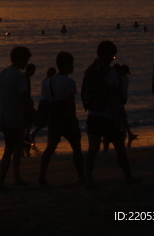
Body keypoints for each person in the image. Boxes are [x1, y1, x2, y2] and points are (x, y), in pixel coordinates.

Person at [82, 40, 137, 188]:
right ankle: (128, 177)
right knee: (120, 147)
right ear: (107, 55)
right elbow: (114, 95)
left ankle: (88, 179)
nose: (113, 59)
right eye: (113, 57)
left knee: (92, 149)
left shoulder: (90, 70)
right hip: (107, 116)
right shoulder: (110, 72)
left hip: (92, 115)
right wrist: (118, 116)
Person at [38, 51, 85, 186]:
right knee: (76, 147)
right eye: (71, 65)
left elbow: (45, 101)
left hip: (54, 118)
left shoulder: (48, 81)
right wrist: (74, 119)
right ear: (65, 65)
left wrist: (43, 117)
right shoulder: (70, 82)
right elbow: (70, 103)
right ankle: (81, 176)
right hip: (66, 117)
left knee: (50, 148)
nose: (73, 68)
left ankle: (41, 175)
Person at [0, 45, 32, 189]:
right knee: (10, 149)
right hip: (14, 118)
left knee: (16, 147)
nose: (26, 63)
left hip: (4, 116)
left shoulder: (3, 73)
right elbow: (23, 99)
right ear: (20, 59)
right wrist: (25, 118)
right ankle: (2, 181)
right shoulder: (19, 76)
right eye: (26, 60)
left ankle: (16, 177)